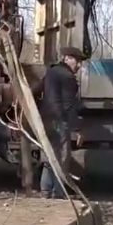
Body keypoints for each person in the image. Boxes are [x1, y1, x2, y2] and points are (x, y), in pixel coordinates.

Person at [37, 46, 87, 198]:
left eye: (80, 62)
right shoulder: (67, 77)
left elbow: (36, 89)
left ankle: (45, 190)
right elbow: (68, 106)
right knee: (62, 158)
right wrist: (77, 129)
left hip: (46, 120)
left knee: (49, 155)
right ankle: (58, 193)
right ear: (67, 59)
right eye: (76, 61)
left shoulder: (51, 72)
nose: (78, 65)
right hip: (59, 121)